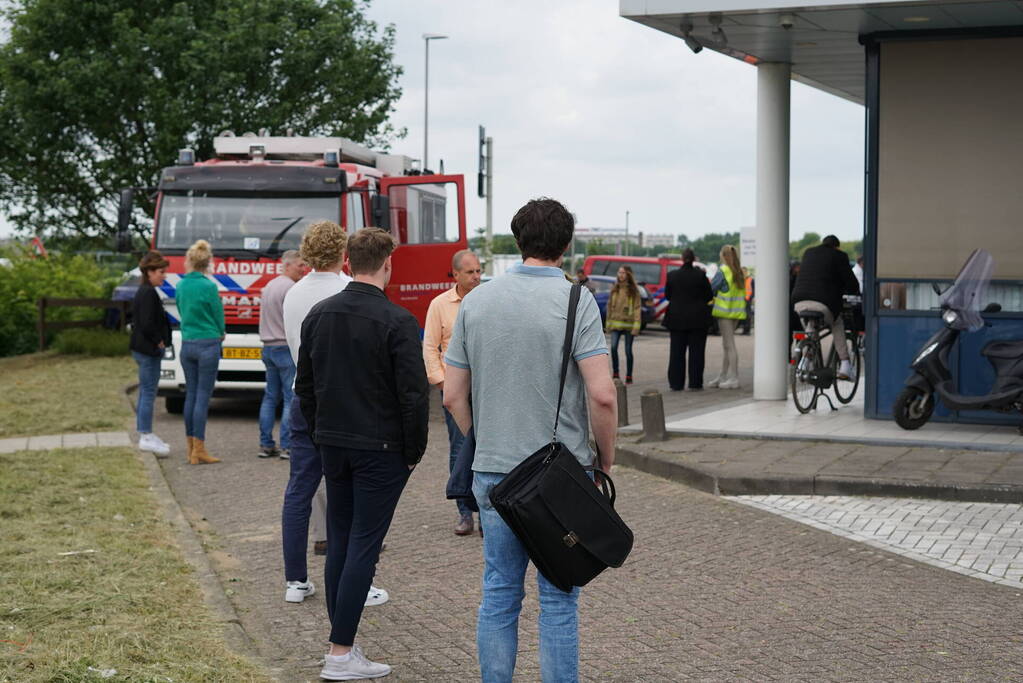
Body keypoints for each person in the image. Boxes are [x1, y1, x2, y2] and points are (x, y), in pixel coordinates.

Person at [443, 197, 617, 683]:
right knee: (559, 594)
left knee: (499, 590)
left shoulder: (476, 300)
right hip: (561, 476)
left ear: (518, 242)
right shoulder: (576, 300)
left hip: (494, 471)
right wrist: (606, 460)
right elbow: (602, 396)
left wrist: (484, 438)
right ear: (566, 245)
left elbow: (453, 394)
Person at [295, 227, 429, 681]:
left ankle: (342, 642)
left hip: (334, 443)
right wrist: (414, 450)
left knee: (341, 539)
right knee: (363, 547)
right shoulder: (398, 321)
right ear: (387, 264)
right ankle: (340, 652)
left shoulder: (318, 314)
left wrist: (318, 433)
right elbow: (413, 395)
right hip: (381, 447)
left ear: (348, 262)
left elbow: (305, 387)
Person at [280, 222, 388, 608]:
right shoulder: (348, 290)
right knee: (355, 496)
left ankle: (296, 578)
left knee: (299, 490)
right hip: (347, 403)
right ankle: (359, 580)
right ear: (344, 252)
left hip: (302, 398)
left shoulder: (292, 294)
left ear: (306, 253)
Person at [423, 248, 483, 536]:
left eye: (479, 271)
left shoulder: (488, 301)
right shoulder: (440, 304)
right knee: (460, 448)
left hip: (486, 389)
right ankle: (464, 511)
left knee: (488, 449)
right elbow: (429, 346)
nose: (476, 276)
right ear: (456, 274)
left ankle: (487, 511)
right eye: (470, 272)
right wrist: (441, 382)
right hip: (455, 390)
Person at [176, 239, 223, 464]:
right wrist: (221, 332)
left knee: (191, 395)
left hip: (187, 344)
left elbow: (180, 309)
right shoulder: (209, 286)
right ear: (207, 263)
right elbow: (217, 315)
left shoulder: (181, 285)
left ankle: (190, 449)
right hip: (208, 343)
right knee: (203, 398)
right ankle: (200, 449)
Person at [258, 249, 307, 459]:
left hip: (267, 346)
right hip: (284, 348)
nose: (303, 270)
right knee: (290, 398)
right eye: (299, 265)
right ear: (287, 265)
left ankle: (266, 443)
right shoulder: (291, 288)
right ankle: (288, 445)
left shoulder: (269, 286)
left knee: (270, 397)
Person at [791, 235, 861, 380]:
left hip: (799, 302)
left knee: (812, 327)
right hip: (823, 303)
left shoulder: (808, 252)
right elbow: (852, 283)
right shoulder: (839, 255)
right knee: (837, 323)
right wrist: (852, 291)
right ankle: (845, 365)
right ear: (836, 246)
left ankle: (805, 361)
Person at [130, 250, 172, 457]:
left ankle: (146, 433)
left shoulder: (146, 291)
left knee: (148, 392)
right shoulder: (148, 293)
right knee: (148, 393)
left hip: (144, 349)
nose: (164, 276)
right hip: (148, 350)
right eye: (161, 272)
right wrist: (159, 340)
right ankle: (145, 435)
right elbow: (146, 322)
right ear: (149, 272)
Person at [664, 248, 713, 391]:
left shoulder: (672, 276)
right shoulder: (700, 276)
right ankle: (695, 382)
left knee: (676, 353)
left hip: (677, 319)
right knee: (697, 353)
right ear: (694, 259)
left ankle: (676, 383)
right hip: (698, 320)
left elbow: (668, 295)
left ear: (682, 258)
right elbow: (709, 295)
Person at [706, 245, 747, 390]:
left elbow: (711, 289)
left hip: (725, 313)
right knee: (727, 346)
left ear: (723, 255)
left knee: (729, 346)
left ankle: (734, 378)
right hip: (736, 313)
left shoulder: (723, 270)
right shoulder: (739, 272)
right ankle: (723, 376)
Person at [605, 265, 642, 384]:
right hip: (616, 324)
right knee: (613, 348)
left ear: (628, 275)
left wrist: (636, 326)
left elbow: (637, 308)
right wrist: (608, 323)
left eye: (623, 273)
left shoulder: (634, 290)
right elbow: (610, 306)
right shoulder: (614, 289)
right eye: (619, 272)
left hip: (629, 325)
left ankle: (629, 375)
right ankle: (616, 372)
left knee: (628, 351)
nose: (620, 275)